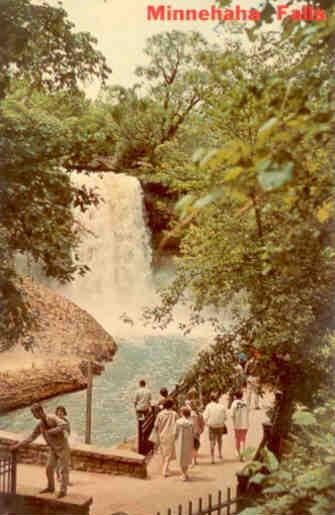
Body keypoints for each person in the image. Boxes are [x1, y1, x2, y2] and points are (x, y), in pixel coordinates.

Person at [10, 403, 70, 498]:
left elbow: (64, 425)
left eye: (34, 414)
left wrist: (51, 431)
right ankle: (51, 488)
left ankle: (63, 491)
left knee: (64, 470)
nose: (34, 416)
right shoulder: (40, 425)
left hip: (63, 448)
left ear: (40, 411)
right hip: (53, 449)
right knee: (49, 468)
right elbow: (31, 438)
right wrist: (17, 446)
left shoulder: (52, 417)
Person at [153, 397, 178, 477]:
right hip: (171, 435)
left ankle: (166, 468)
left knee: (164, 452)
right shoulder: (174, 414)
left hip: (162, 435)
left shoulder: (160, 414)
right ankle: (164, 470)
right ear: (171, 405)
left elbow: (156, 425)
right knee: (169, 454)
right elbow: (177, 424)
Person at [203, 392, 227, 464]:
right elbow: (225, 417)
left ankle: (212, 458)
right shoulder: (221, 406)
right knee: (220, 439)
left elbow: (205, 417)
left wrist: (207, 424)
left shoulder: (208, 406)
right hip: (220, 425)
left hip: (212, 425)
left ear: (210, 399)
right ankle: (220, 454)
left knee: (212, 441)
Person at [175, 407, 194, 481]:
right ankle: (185, 473)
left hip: (180, 441)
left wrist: (175, 438)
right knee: (187, 457)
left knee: (181, 457)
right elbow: (193, 432)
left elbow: (175, 432)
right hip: (188, 441)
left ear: (182, 413)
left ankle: (183, 474)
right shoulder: (191, 422)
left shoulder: (178, 422)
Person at [230, 391, 249, 461]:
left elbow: (231, 414)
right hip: (245, 423)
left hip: (237, 424)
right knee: (243, 439)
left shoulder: (234, 403)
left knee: (237, 438)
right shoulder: (246, 403)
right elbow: (248, 411)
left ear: (235, 396)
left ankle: (238, 452)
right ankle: (243, 454)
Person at [55, 406, 71, 485]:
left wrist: (65, 434)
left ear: (64, 413)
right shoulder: (54, 421)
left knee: (66, 463)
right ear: (56, 412)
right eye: (59, 411)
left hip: (64, 443)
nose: (60, 413)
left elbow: (69, 432)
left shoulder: (66, 421)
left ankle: (66, 480)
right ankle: (58, 477)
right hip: (56, 444)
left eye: (62, 411)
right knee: (58, 462)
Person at [185, 400, 204, 466]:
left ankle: (190, 460)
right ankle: (194, 460)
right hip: (196, 432)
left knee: (190, 446)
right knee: (196, 446)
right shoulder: (199, 414)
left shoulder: (188, 414)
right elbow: (202, 423)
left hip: (189, 432)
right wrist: (201, 430)